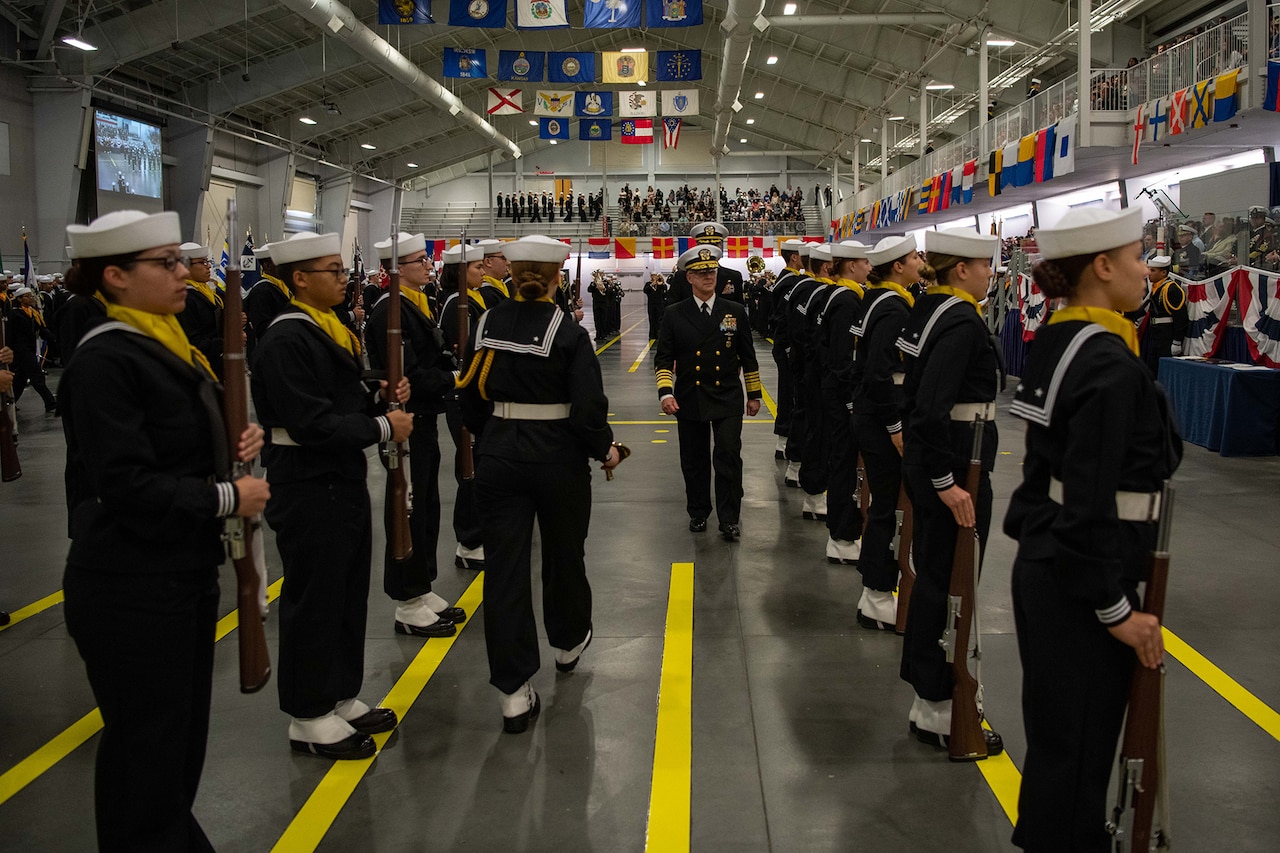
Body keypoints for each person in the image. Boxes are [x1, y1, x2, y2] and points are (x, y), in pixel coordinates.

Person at [58, 209, 271, 850]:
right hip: (131, 586)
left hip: (174, 577)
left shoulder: (162, 343)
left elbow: (173, 445)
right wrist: (227, 493)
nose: (185, 274)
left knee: (172, 760)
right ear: (115, 277)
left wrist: (231, 444)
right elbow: (126, 485)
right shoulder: (107, 360)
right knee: (146, 763)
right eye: (167, 263)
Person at [1004, 207, 1180, 851]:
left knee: (1063, 752)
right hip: (1080, 582)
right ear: (1101, 267)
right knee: (1076, 757)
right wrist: (1115, 610)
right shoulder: (1105, 363)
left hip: (1051, 564)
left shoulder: (1064, 337)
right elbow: (1088, 502)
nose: (1147, 268)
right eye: (1138, 256)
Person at [251, 231, 413, 760]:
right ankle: (307, 711)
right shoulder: (285, 338)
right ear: (299, 278)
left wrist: (377, 394)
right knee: (315, 596)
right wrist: (383, 428)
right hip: (305, 477)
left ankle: (338, 693)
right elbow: (312, 421)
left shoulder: (328, 327)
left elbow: (339, 396)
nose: (345, 279)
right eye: (333, 271)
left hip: (336, 476)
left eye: (344, 270)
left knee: (345, 590)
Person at [456, 235, 619, 733]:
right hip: (557, 459)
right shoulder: (568, 332)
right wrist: (604, 448)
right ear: (557, 275)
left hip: (500, 455)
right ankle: (568, 643)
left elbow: (468, 396)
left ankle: (512, 692)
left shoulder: (486, 323)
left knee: (504, 570)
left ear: (512, 271)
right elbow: (588, 408)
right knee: (564, 552)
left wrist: (498, 437)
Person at [897, 228, 1005, 755]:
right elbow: (931, 407)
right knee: (952, 582)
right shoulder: (960, 320)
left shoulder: (927, 310)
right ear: (961, 268)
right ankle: (941, 701)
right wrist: (946, 484)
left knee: (937, 576)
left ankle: (929, 698)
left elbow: (907, 390)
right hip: (956, 465)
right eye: (984, 266)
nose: (990, 274)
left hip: (942, 460)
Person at [366, 232, 465, 638]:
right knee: (406, 510)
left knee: (425, 505)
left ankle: (420, 588)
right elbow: (406, 373)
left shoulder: (415, 304)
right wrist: (453, 378)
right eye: (418, 261)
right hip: (405, 420)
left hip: (423, 417)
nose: (428, 265)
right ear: (397, 270)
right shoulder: (388, 311)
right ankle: (406, 599)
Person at [655, 246, 763, 540]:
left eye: (712, 272)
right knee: (694, 458)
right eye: (702, 273)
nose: (708, 277)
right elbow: (663, 358)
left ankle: (730, 518)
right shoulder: (675, 314)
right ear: (689, 277)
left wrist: (754, 395)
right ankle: (699, 511)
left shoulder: (735, 311)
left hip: (727, 395)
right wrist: (666, 393)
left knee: (729, 455)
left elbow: (748, 356)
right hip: (690, 395)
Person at [849, 235, 920, 630]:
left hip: (870, 412)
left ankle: (873, 591)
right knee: (887, 506)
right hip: (881, 417)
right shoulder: (893, 309)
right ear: (897, 266)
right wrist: (895, 426)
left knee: (883, 505)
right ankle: (876, 594)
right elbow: (879, 372)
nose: (918, 262)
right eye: (912, 258)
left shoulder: (876, 300)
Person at [438, 242, 490, 570]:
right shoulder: (458, 304)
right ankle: (469, 540)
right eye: (476, 268)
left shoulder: (471, 300)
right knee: (469, 468)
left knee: (479, 465)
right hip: (461, 393)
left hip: (475, 391)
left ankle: (477, 534)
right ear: (460, 272)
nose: (482, 272)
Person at [818, 240, 870, 564]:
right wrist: (850, 402)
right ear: (851, 265)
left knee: (843, 462)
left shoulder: (842, 296)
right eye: (865, 262)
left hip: (836, 392)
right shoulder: (847, 301)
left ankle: (842, 532)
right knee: (843, 464)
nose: (869, 267)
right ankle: (841, 535)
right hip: (841, 395)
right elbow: (842, 357)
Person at [769, 240, 808, 468]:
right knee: (788, 393)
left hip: (786, 346)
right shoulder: (789, 282)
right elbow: (783, 318)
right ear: (794, 257)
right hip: (786, 346)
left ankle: (785, 439)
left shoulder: (790, 279)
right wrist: (788, 348)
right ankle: (784, 440)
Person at [5, 287, 58, 414]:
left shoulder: (33, 313)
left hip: (29, 348)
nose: (31, 298)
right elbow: (10, 334)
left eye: (31, 296)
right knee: (37, 376)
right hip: (20, 350)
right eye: (27, 296)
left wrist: (55, 339)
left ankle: (10, 403)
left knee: (20, 380)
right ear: (19, 299)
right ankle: (50, 403)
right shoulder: (14, 314)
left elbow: (42, 330)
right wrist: (9, 350)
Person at [176, 242, 224, 380]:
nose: (208, 266)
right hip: (198, 369)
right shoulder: (184, 297)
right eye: (202, 262)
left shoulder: (206, 292)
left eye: (207, 261)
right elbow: (193, 341)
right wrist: (225, 343)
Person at [666, 222, 745, 305]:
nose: (709, 249)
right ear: (697, 246)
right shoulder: (681, 277)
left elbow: (739, 312)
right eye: (705, 244)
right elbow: (669, 312)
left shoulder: (734, 277)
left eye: (714, 244)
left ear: (721, 246)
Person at [1136, 255, 1188, 377]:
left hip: (1166, 336)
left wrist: (1177, 341)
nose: (1149, 273)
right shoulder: (1156, 288)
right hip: (1155, 335)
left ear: (1163, 272)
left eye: (1153, 270)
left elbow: (1181, 318)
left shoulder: (1171, 289)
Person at [643, 272, 669, 339]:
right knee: (652, 319)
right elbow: (645, 290)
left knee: (659, 320)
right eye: (653, 275)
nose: (654, 277)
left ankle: (659, 334)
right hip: (651, 305)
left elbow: (665, 292)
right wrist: (652, 284)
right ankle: (652, 335)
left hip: (660, 305)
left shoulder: (661, 284)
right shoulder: (648, 284)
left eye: (655, 275)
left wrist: (662, 284)